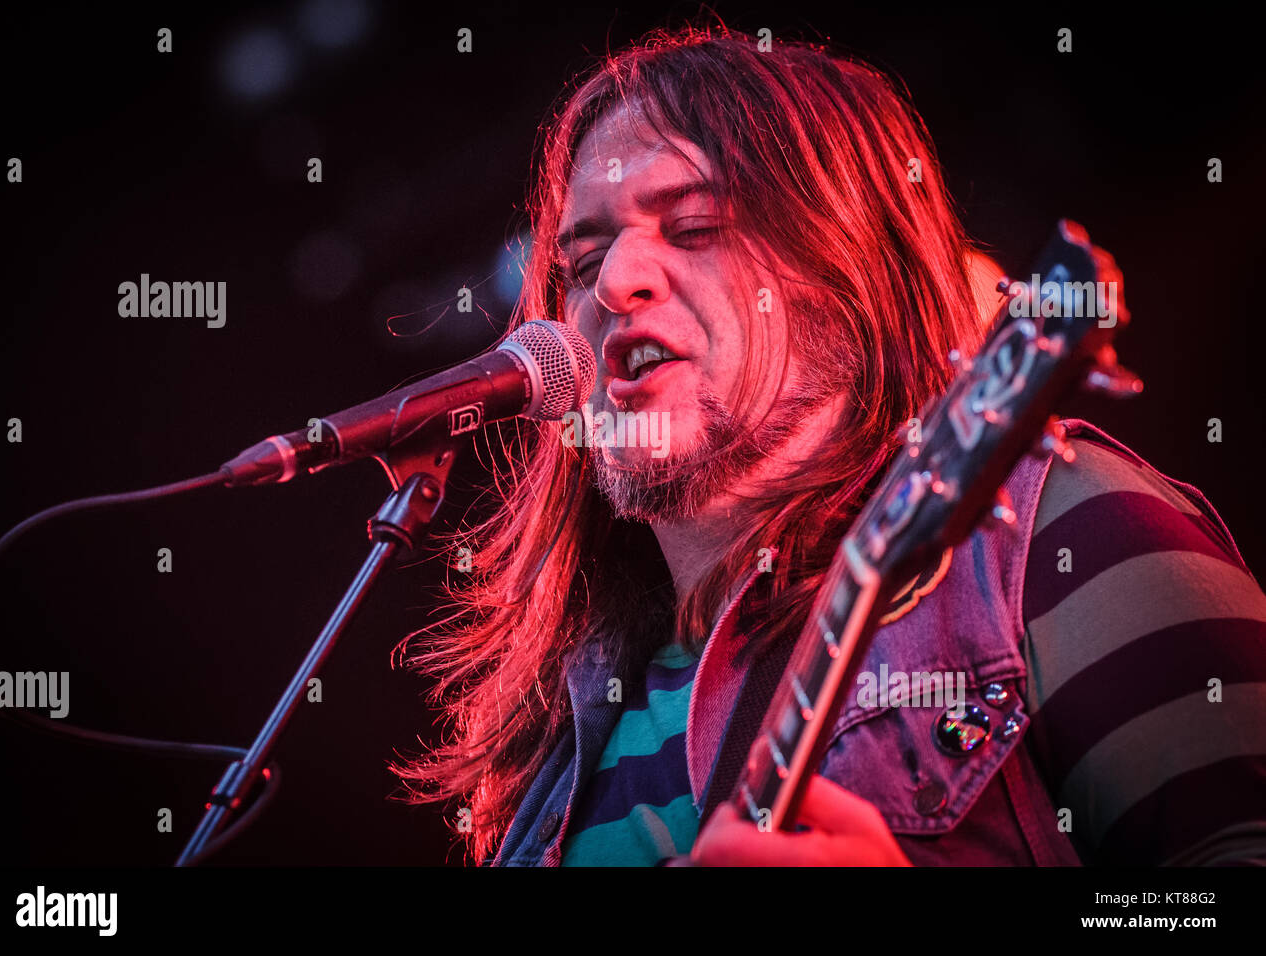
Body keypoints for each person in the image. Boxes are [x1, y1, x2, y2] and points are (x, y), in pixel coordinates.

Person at [391, 25, 1266, 866]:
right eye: (583, 267)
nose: (615, 283)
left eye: (693, 226)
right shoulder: (556, 739)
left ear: (844, 270)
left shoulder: (1054, 528)